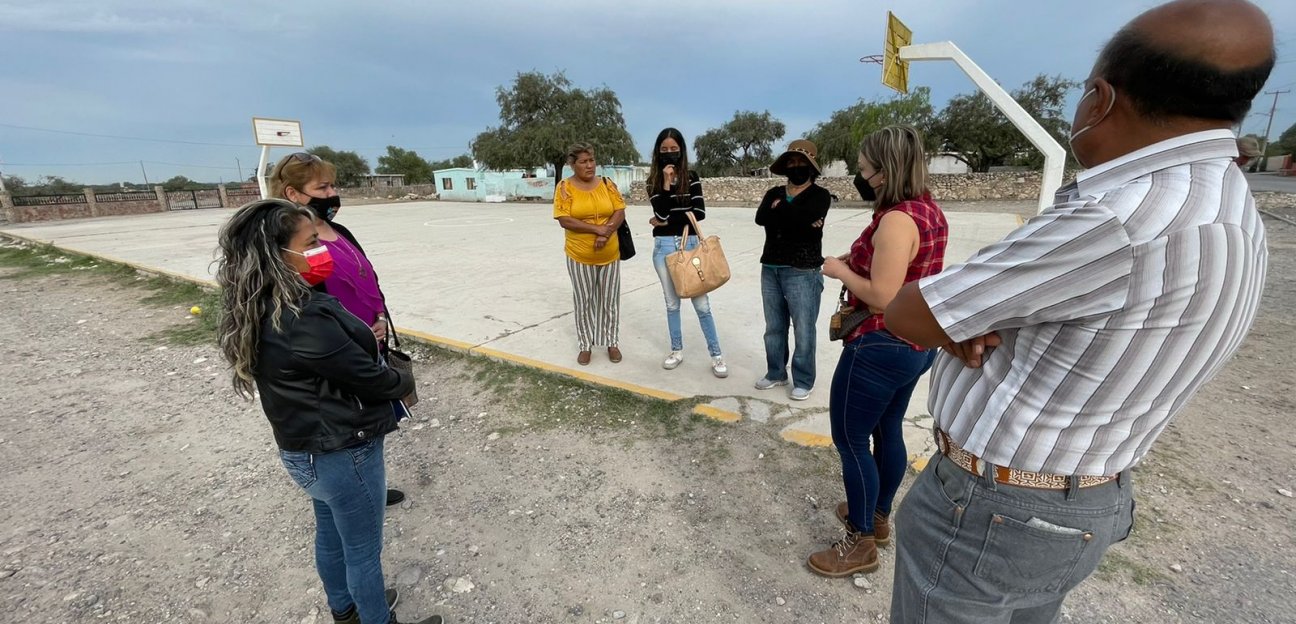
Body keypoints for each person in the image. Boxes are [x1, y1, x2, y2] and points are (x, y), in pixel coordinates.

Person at [883, 1, 1274, 621]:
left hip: (996, 508)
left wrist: (965, 320)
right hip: (1089, 498)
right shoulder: (1227, 204)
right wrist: (972, 318)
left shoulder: (1118, 217)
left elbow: (911, 312)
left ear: (1100, 98)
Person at [215, 199, 440, 624]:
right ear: (279, 253)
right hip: (343, 451)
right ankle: (376, 618)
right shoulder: (303, 318)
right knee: (362, 550)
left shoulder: (263, 304)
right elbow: (374, 381)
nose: (321, 250)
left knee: (332, 534)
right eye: (312, 242)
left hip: (305, 450)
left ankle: (346, 608)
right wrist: (402, 379)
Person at [807, 126, 948, 578]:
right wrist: (858, 262)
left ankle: (860, 540)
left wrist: (838, 271)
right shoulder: (927, 211)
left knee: (851, 440)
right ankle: (880, 516)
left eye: (864, 167)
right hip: (915, 343)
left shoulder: (895, 220)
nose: (859, 173)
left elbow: (885, 296)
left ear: (884, 172)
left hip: (879, 343)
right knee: (887, 429)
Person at [269, 152, 408, 509]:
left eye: (333, 185)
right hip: (340, 348)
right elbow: (307, 310)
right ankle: (356, 487)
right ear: (294, 193)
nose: (332, 193)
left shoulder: (339, 231)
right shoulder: (295, 248)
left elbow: (363, 274)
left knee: (372, 420)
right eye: (322, 187)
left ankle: (368, 483)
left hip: (369, 338)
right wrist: (355, 333)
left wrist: (377, 315)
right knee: (351, 417)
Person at [754, 139, 832, 400]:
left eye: (802, 163)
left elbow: (800, 220)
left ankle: (804, 379)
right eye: (792, 162)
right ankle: (776, 372)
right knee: (774, 326)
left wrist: (785, 212)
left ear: (811, 167)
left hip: (803, 270)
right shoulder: (773, 192)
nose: (796, 167)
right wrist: (798, 218)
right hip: (771, 269)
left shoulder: (819, 196)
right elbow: (761, 218)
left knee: (803, 327)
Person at [646, 128, 727, 378]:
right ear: (657, 152)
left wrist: (666, 217)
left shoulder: (691, 176)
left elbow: (699, 214)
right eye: (664, 150)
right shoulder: (653, 181)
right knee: (672, 304)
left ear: (681, 150)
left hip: (690, 243)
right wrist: (667, 185)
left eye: (673, 149)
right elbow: (660, 214)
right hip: (663, 249)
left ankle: (716, 354)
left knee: (701, 304)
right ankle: (676, 350)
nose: (669, 154)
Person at [553, 143, 627, 366]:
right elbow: (564, 219)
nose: (589, 165)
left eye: (591, 160)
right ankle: (585, 345)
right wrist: (597, 229)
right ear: (572, 164)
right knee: (584, 301)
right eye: (583, 161)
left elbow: (619, 210)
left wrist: (607, 233)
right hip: (579, 256)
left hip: (610, 254)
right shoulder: (565, 188)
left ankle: (612, 342)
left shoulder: (607, 184)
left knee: (610, 301)